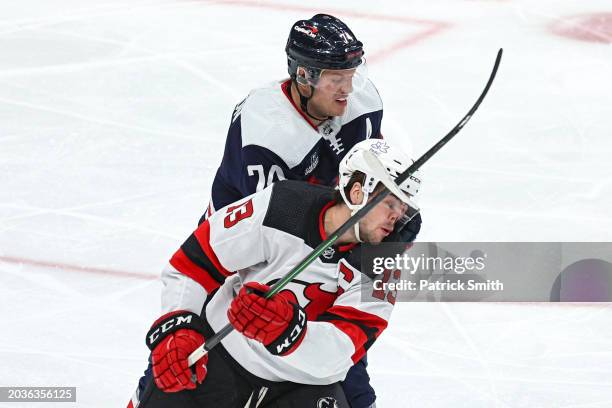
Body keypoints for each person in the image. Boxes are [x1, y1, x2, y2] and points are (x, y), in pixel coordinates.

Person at [197, 14, 422, 407]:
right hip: (245, 264)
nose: (348, 89)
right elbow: (279, 230)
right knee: (194, 368)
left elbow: (370, 167)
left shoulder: (361, 104)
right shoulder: (266, 134)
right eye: (337, 78)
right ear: (304, 76)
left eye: (352, 74)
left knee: (341, 363)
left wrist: (391, 209)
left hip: (329, 245)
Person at [128, 139, 422, 408]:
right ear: (358, 192)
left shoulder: (382, 264)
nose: (397, 217)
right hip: (217, 357)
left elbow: (340, 355)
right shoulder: (283, 205)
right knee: (168, 379)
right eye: (390, 203)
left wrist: (289, 330)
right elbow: (192, 263)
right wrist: (180, 328)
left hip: (297, 390)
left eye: (403, 209)